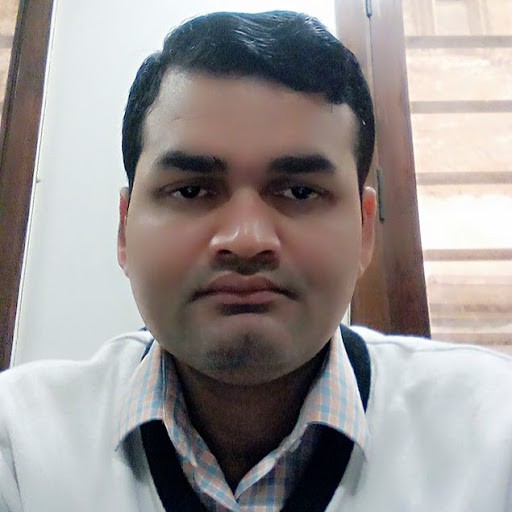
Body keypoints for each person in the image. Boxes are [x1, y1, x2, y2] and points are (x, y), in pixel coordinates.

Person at [1, 10, 511, 512]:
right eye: (191, 190)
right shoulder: (20, 447)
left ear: (363, 230)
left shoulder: (492, 434)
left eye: (300, 191)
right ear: (124, 229)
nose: (246, 240)